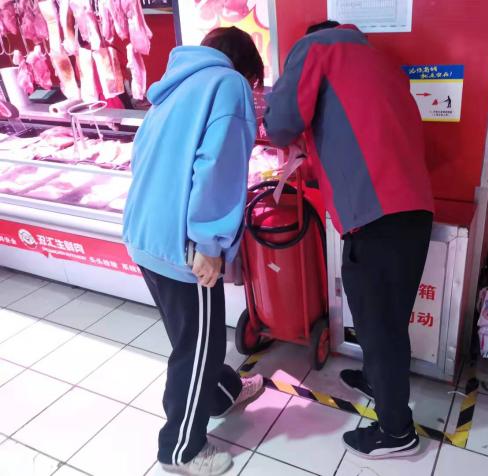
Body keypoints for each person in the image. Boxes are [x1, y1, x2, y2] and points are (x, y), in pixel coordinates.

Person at [264, 21, 435, 459]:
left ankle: (397, 432)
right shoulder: (381, 63)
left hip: (374, 215)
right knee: (389, 319)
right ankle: (378, 382)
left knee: (378, 326)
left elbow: (280, 123)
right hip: (414, 210)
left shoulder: (316, 49)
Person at [123, 27, 265, 476]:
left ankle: (224, 393)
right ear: (246, 68)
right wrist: (209, 241)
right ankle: (181, 449)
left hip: (145, 233)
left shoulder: (173, 85)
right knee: (197, 348)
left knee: (194, 338)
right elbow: (217, 166)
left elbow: (141, 154)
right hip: (185, 245)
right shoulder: (229, 84)